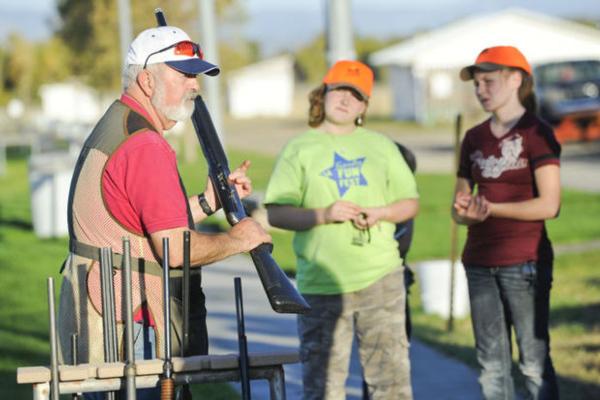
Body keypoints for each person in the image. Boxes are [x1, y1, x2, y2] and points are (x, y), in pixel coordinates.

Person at [57, 24, 271, 397]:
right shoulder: (146, 146)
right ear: (146, 80)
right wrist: (238, 238)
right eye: (185, 74)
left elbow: (133, 222)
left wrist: (207, 203)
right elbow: (172, 247)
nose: (195, 85)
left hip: (106, 317)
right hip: (132, 330)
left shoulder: (120, 123)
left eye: (196, 76)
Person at [264, 60, 419, 400]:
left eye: (356, 94)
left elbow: (410, 202)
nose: (346, 99)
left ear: (364, 106)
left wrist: (381, 212)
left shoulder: (381, 146)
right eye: (339, 90)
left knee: (391, 385)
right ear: (325, 93)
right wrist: (324, 214)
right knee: (323, 388)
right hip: (320, 284)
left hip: (381, 278)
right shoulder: (299, 148)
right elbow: (276, 213)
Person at [453, 46, 561, 400]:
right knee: (491, 365)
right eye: (477, 84)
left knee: (532, 362)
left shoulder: (536, 132)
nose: (481, 89)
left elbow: (550, 204)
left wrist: (493, 209)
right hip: (479, 263)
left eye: (489, 81)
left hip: (524, 262)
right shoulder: (473, 137)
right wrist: (464, 212)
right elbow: (459, 206)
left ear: (516, 79)